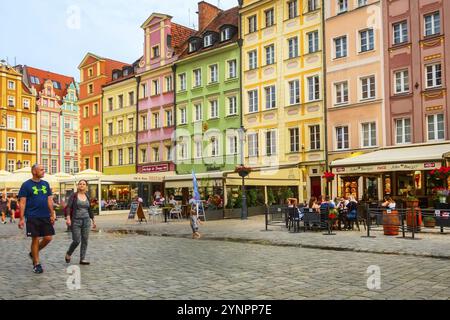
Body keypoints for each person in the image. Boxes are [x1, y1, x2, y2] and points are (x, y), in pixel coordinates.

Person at [18, 164, 56, 274]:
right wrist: (21, 218)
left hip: (45, 216)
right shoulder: (26, 185)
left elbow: (49, 200)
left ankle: (33, 253)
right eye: (41, 169)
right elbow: (22, 202)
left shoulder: (46, 184)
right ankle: (36, 263)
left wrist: (52, 214)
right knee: (35, 239)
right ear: (34, 171)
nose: (44, 171)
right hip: (32, 216)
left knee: (48, 238)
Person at [65, 180, 97, 265]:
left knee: (85, 240)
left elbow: (89, 209)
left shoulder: (87, 196)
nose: (82, 185)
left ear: (86, 186)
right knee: (76, 240)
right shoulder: (74, 195)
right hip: (76, 220)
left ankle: (82, 259)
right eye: (80, 184)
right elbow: (68, 207)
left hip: (86, 221)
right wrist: (68, 218)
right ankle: (69, 253)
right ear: (78, 186)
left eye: (84, 184)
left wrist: (93, 220)